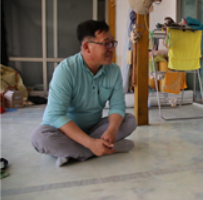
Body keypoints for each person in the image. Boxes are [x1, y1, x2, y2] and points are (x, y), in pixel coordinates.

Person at [31, 20, 137, 167]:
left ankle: (72, 153)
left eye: (113, 43)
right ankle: (105, 148)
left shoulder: (113, 71)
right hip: (65, 132)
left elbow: (117, 106)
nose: (112, 49)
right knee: (39, 137)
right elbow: (55, 115)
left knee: (129, 120)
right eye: (106, 44)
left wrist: (112, 131)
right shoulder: (66, 70)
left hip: (93, 128)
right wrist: (90, 143)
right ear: (87, 47)